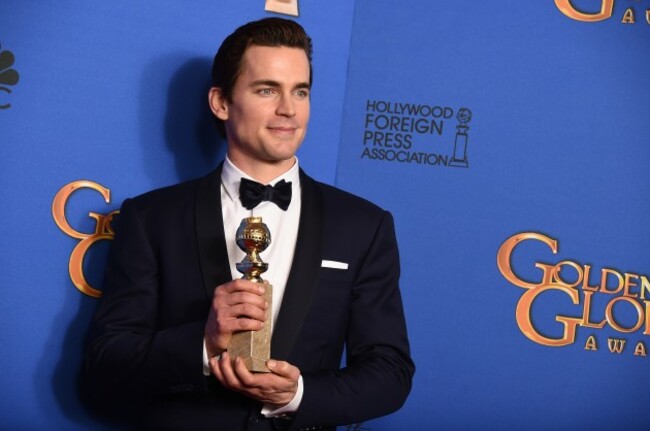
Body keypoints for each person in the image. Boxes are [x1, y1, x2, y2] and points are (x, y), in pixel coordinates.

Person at [84, 17, 414, 431]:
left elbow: (390, 373)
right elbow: (103, 369)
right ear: (221, 103)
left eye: (300, 91)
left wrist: (297, 396)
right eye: (267, 90)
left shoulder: (364, 226)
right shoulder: (152, 219)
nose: (288, 109)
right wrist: (202, 344)